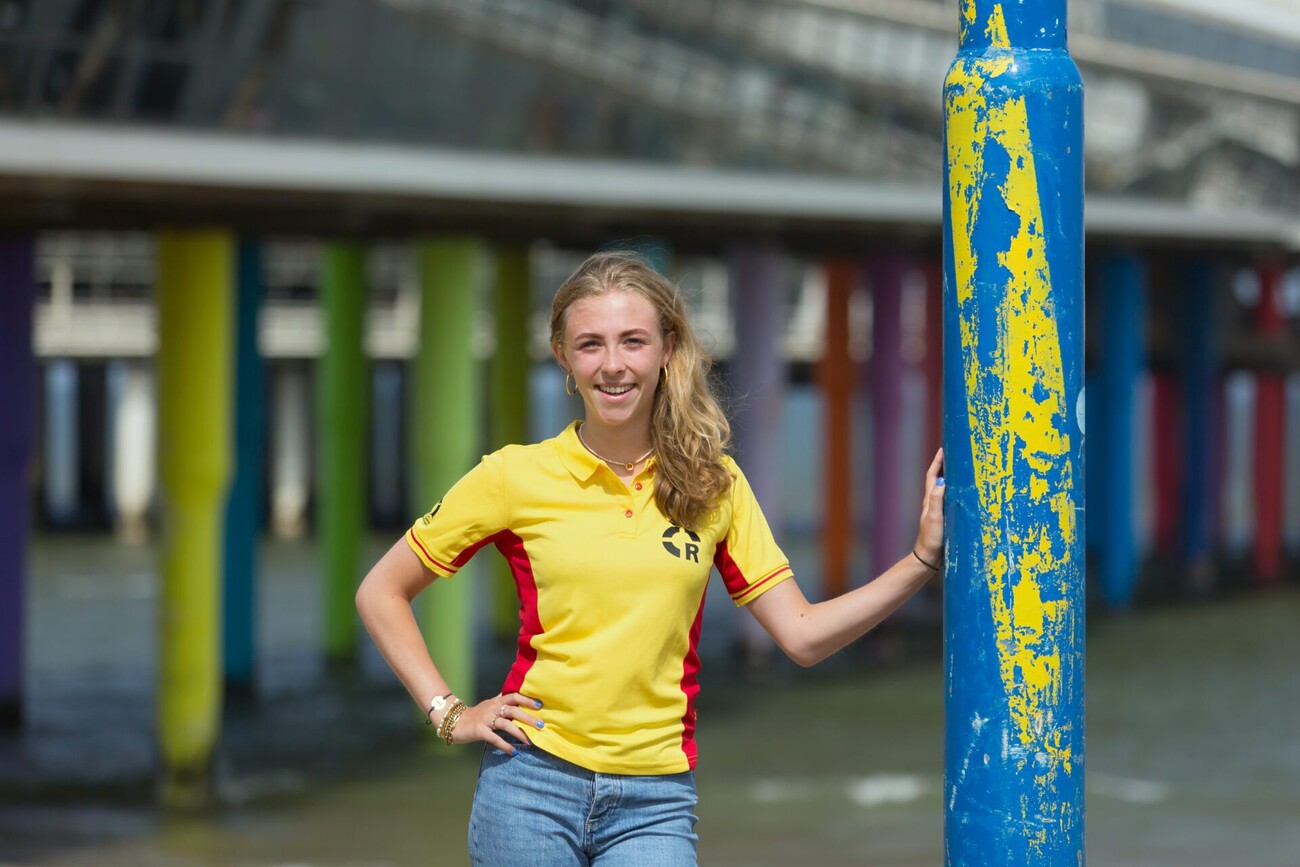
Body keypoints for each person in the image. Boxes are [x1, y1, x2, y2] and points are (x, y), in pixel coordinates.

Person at [355, 250, 945, 866]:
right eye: (591, 345)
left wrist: (918, 562)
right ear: (563, 356)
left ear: (666, 349)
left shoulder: (714, 485)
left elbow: (801, 636)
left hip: (655, 800)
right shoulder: (513, 476)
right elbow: (381, 591)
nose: (613, 365)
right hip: (529, 786)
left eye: (633, 342)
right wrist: (449, 714)